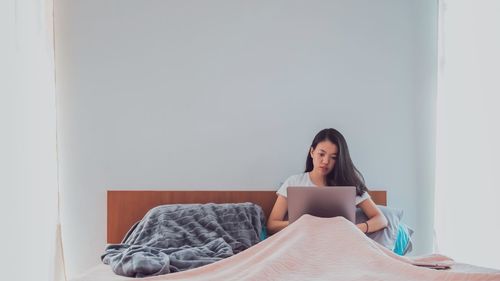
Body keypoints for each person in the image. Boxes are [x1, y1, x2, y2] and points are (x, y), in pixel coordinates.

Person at [267, 128, 388, 235]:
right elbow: (272, 225)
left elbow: (381, 219)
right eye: (321, 154)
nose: (325, 161)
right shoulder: (293, 182)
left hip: (340, 242)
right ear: (312, 152)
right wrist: (301, 223)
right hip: (303, 242)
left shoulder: (347, 185)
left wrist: (355, 228)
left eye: (333, 157)